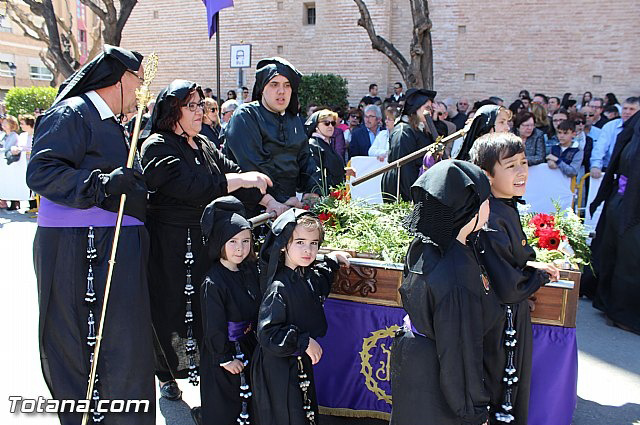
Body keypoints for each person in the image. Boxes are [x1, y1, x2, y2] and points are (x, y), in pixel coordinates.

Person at [26, 45, 155, 425]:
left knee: (125, 345)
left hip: (116, 243)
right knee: (84, 342)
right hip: (80, 245)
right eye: (139, 81)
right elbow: (42, 172)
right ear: (119, 79)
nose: (142, 91)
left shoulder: (115, 122)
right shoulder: (71, 113)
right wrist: (102, 184)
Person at [140, 79, 287, 401]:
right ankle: (167, 373)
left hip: (203, 242)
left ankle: (210, 370)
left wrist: (269, 202)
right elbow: (193, 186)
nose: (199, 112)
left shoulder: (203, 143)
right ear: (171, 110)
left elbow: (231, 172)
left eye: (200, 106)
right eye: (190, 106)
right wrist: (236, 179)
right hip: (169, 247)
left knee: (207, 310)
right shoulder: (157, 144)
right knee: (171, 310)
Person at [390, 160, 503, 425]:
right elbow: (459, 351)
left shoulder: (426, 245)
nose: (489, 205)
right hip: (440, 382)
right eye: (486, 199)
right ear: (469, 208)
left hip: (417, 366)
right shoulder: (456, 274)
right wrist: (473, 411)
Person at [470, 132, 559, 424]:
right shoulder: (490, 217)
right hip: (499, 322)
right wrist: (539, 275)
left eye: (524, 162)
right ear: (487, 174)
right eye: (511, 166)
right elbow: (508, 286)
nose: (522, 172)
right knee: (501, 393)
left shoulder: (505, 204)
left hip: (506, 317)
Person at [252, 209, 350, 425]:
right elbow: (268, 333)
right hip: (278, 368)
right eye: (300, 242)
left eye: (314, 243)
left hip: (296, 361)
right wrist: (303, 341)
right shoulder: (279, 287)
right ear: (284, 244)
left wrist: (332, 259)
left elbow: (321, 278)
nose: (308, 250)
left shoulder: (306, 275)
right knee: (287, 414)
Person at [224, 57, 322, 211]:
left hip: (289, 205)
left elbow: (305, 160)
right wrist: (282, 199)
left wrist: (313, 191)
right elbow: (252, 164)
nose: (281, 91)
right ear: (263, 88)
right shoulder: (245, 116)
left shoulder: (294, 121)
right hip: (252, 206)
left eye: (287, 85)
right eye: (274, 84)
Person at [199, 196, 261, 425]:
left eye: (246, 241)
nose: (240, 248)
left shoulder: (248, 271)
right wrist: (224, 358)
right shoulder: (213, 282)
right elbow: (213, 324)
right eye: (233, 241)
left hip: (247, 344)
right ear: (220, 243)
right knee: (227, 404)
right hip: (225, 350)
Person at [588, 107, 640, 333]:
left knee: (616, 256)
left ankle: (611, 307)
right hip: (630, 206)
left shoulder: (631, 129)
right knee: (628, 262)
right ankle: (622, 314)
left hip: (621, 203)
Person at [381, 88, 436, 202]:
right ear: (416, 109)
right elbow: (403, 167)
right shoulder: (403, 131)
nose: (430, 112)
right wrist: (411, 198)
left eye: (431, 109)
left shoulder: (420, 130)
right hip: (401, 187)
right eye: (427, 108)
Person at [590, 97, 640, 179]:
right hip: (611, 170)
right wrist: (595, 166)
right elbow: (600, 148)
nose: (627, 112)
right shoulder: (610, 126)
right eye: (625, 108)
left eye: (632, 109)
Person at [304, 109, 346, 193]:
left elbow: (330, 167)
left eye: (333, 123)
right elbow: (314, 173)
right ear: (316, 125)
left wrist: (344, 171)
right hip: (323, 196)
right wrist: (316, 193)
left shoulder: (326, 144)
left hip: (335, 194)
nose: (330, 126)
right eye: (326, 123)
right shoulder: (313, 145)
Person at [1, 114, 21, 210]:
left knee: (12, 181)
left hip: (11, 163)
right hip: (3, 163)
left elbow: (7, 148)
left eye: (6, 123)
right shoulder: (3, 135)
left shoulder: (14, 136)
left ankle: (14, 202)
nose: (3, 125)